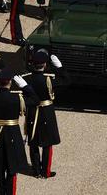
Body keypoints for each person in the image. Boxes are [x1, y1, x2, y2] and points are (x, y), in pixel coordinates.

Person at [0, 67, 39, 195]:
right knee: (11, 169)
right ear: (10, 82)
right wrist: (25, 87)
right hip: (12, 135)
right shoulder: (17, 98)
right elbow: (35, 100)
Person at [22, 50, 69, 179]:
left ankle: (36, 170)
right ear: (45, 64)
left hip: (32, 111)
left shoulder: (27, 78)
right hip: (47, 111)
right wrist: (59, 67)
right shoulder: (48, 79)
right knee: (47, 143)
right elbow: (66, 81)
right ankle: (45, 171)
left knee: (33, 141)